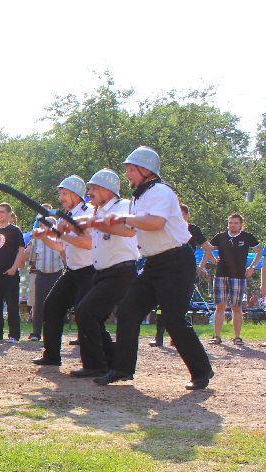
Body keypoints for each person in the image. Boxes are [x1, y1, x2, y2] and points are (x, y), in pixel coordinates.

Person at [93, 146, 214, 390]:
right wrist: (102, 226)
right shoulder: (139, 196)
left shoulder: (161, 191)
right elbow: (130, 230)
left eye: (130, 170)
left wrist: (123, 218)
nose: (126, 174)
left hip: (176, 262)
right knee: (128, 311)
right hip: (154, 263)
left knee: (173, 319)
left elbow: (156, 223)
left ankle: (202, 371)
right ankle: (122, 368)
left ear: (145, 170)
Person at [62, 169, 138, 377]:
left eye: (95, 188)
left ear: (108, 190)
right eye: (90, 188)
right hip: (102, 272)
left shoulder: (123, 206)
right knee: (89, 314)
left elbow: (129, 229)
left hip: (121, 270)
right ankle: (111, 362)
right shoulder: (96, 211)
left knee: (86, 311)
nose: (91, 192)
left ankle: (97, 365)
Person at [33, 185, 96, 366]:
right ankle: (51, 356)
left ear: (76, 194)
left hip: (89, 271)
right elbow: (61, 246)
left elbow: (88, 243)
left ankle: (94, 362)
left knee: (85, 313)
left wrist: (61, 234)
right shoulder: (65, 217)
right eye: (60, 194)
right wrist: (44, 237)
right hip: (73, 271)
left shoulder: (88, 212)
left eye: (65, 194)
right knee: (52, 306)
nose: (61, 198)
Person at [150, 204, 213, 347]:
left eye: (182, 215)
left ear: (187, 216)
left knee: (182, 305)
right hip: (167, 270)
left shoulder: (193, 229)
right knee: (162, 303)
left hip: (186, 272)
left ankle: (176, 337)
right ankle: (159, 337)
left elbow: (208, 248)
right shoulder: (167, 228)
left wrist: (200, 267)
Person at [201, 213, 261, 345]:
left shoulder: (247, 237)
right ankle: (216, 336)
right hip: (221, 274)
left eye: (235, 223)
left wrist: (252, 267)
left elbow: (259, 250)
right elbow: (206, 248)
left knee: (237, 307)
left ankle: (237, 337)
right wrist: (212, 260)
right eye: (230, 223)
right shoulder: (220, 236)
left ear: (241, 224)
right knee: (220, 306)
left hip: (238, 276)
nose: (232, 225)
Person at [0, 202, 26, 341]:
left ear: (8, 214)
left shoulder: (15, 231)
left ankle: (13, 335)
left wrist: (14, 268)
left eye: (2, 212)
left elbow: (21, 250)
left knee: (12, 305)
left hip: (9, 275)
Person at [27, 196, 69, 341]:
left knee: (54, 305)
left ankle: (52, 333)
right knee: (38, 305)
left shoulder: (60, 239)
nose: (47, 227)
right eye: (45, 225)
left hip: (56, 274)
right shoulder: (36, 239)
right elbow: (31, 259)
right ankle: (36, 333)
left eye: (50, 225)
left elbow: (65, 257)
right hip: (41, 275)